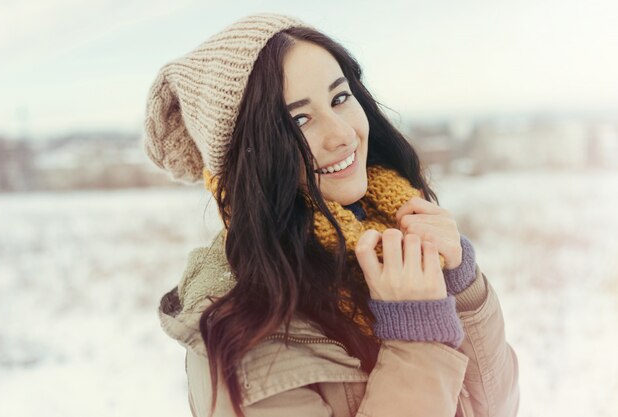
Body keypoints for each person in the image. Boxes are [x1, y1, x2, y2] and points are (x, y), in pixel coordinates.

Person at [145, 13, 519, 417]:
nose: (342, 133)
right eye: (299, 120)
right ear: (247, 158)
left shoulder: (393, 231)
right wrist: (417, 337)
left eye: (340, 98)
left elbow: (494, 407)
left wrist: (459, 285)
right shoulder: (242, 333)